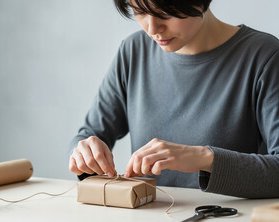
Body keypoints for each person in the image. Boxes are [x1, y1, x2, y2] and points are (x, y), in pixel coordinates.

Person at [68, 0, 279, 198]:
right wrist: (84, 151)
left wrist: (204, 158)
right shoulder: (133, 51)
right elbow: (89, 134)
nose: (152, 29)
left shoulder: (264, 56)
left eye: (164, 13)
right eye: (139, 11)